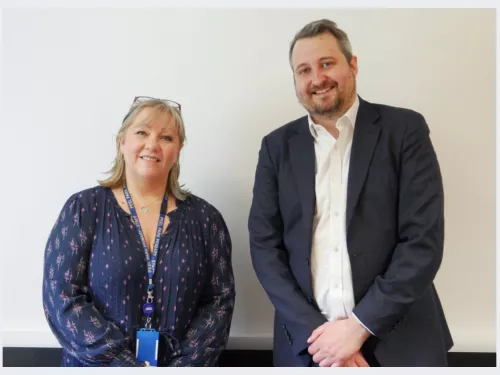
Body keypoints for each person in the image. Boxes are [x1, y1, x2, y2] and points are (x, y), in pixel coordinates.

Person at [248, 19, 453, 367]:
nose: (317, 78)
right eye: (304, 70)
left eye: (327, 63)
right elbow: (265, 246)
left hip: (401, 345)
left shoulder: (404, 131)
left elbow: (423, 241)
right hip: (309, 349)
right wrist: (323, 340)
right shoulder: (276, 147)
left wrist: (358, 328)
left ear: (352, 64)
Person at [42, 96, 235, 367]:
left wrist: (181, 369)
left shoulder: (206, 219)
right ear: (122, 143)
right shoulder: (83, 210)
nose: (152, 145)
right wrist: (123, 366)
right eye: (142, 132)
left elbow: (219, 302)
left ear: (178, 149)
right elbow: (62, 297)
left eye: (167, 138)